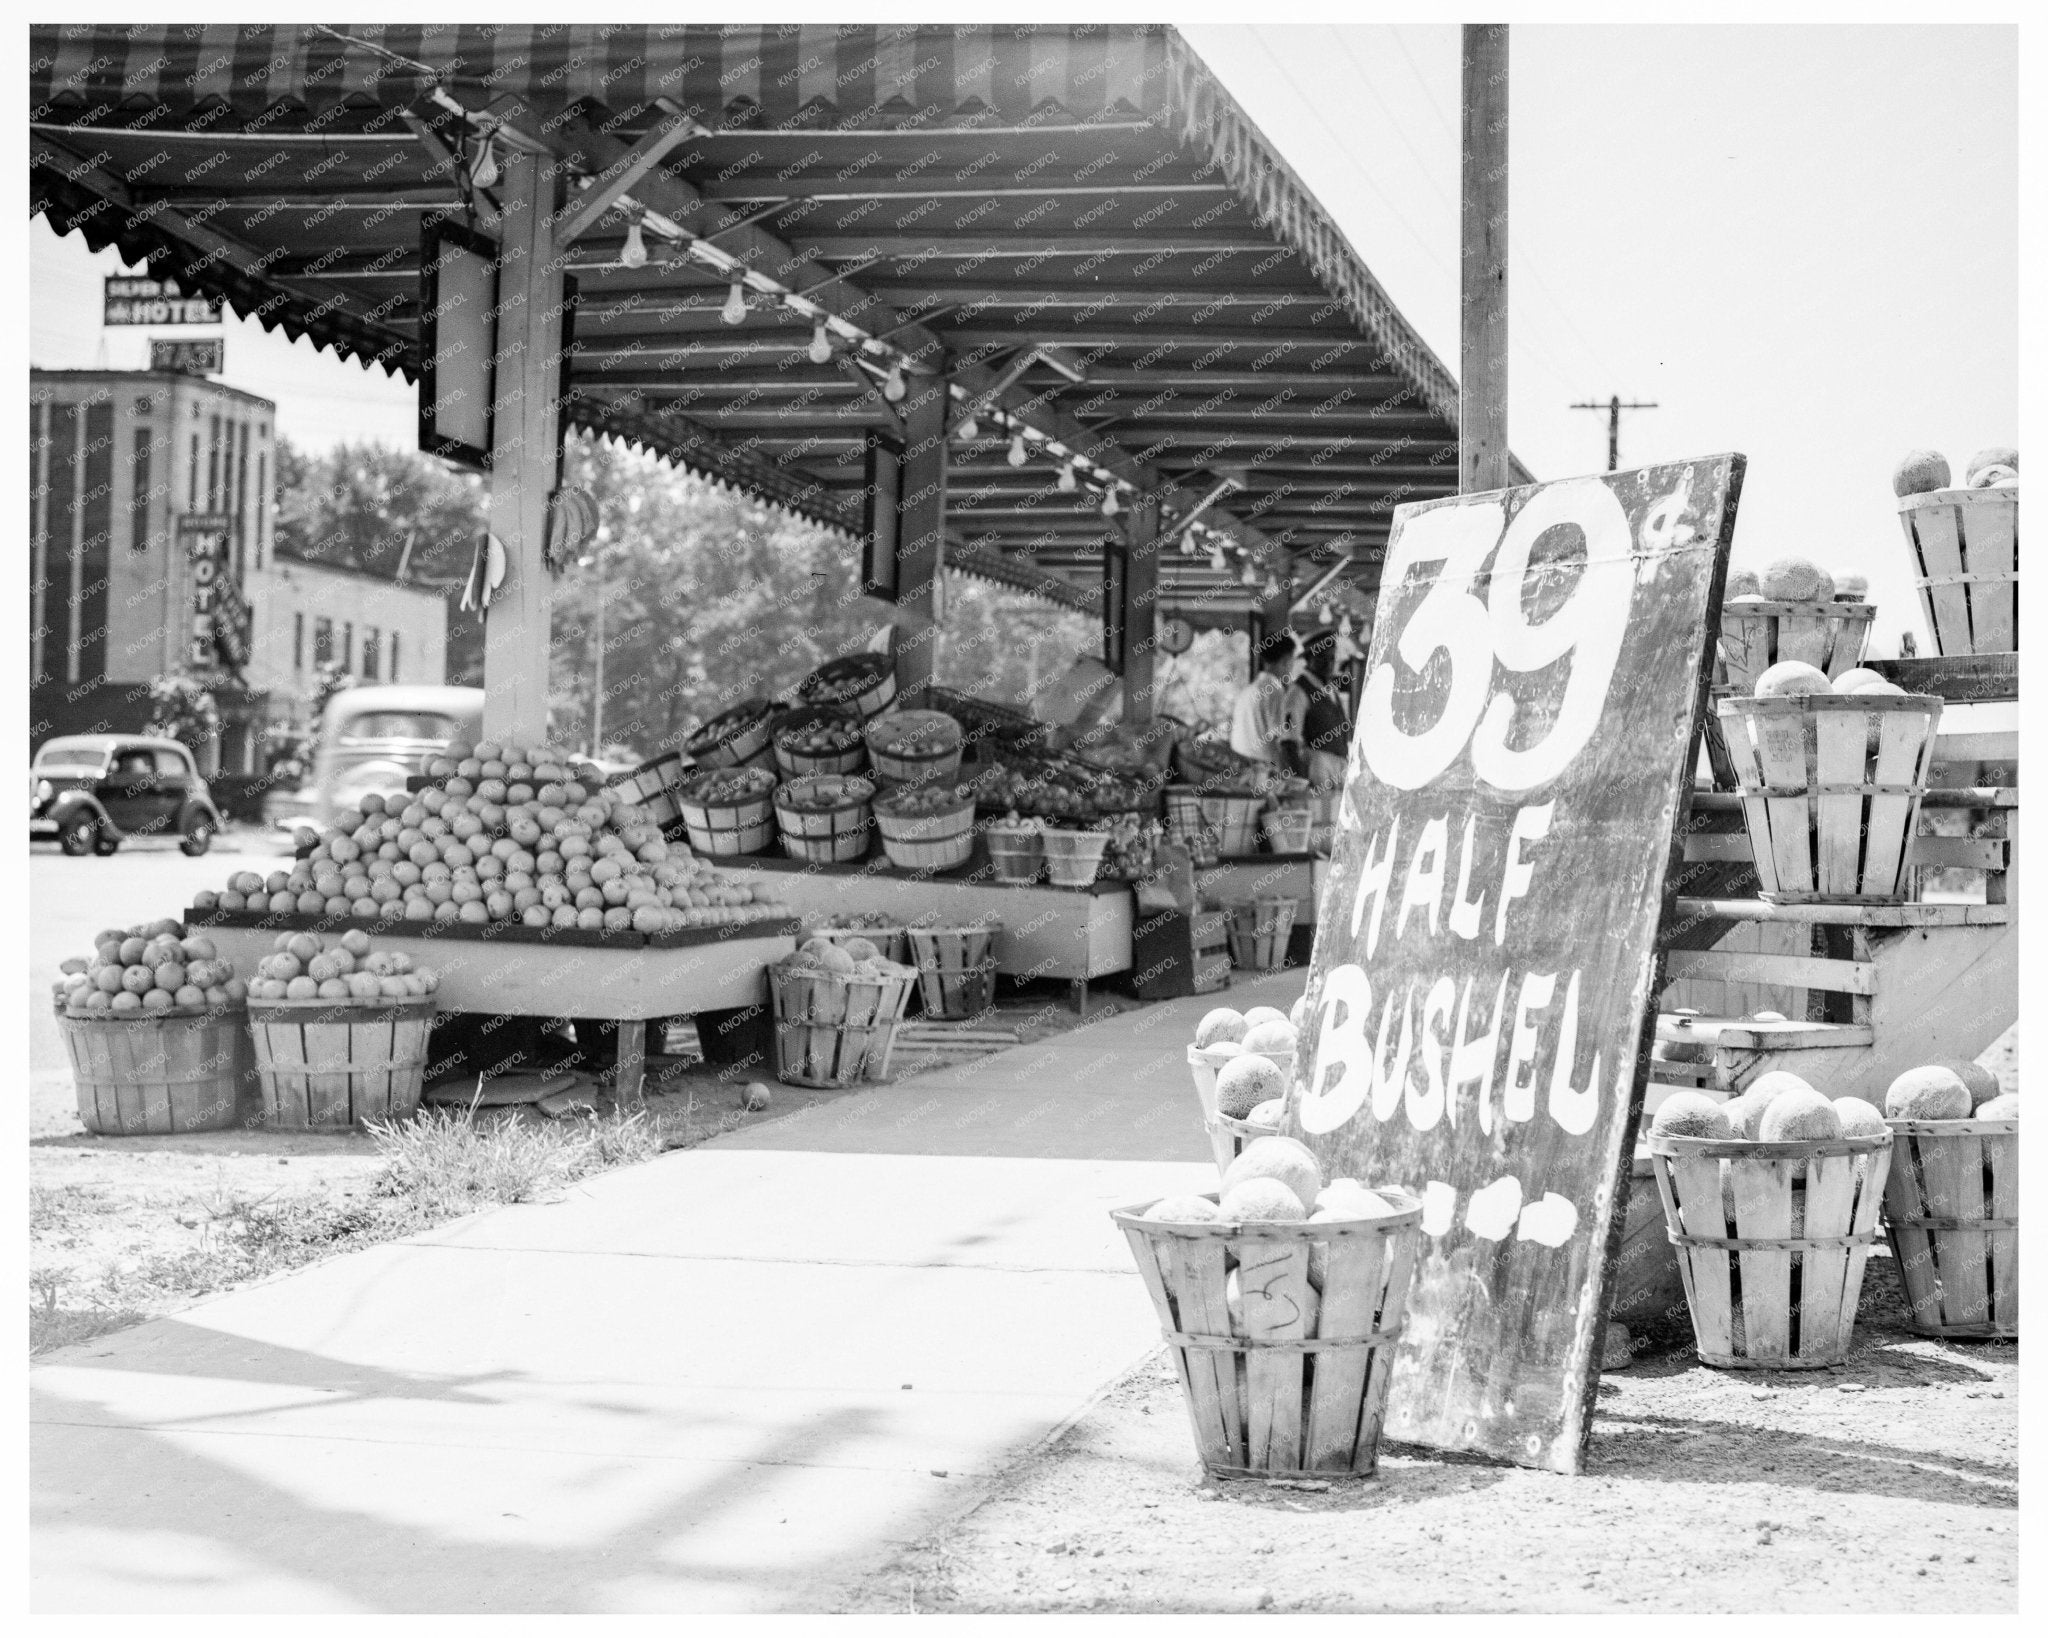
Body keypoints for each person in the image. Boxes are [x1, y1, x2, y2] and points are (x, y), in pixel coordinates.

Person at [1286, 630, 1352, 789]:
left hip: (1339, 766)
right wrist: (1301, 781)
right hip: (1317, 765)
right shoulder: (1299, 691)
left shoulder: (1330, 690)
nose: (1329, 664)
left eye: (1332, 658)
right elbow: (1289, 741)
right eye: (1322, 658)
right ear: (1309, 658)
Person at [1228, 631, 1301, 773]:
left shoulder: (1248, 691)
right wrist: (1285, 774)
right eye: (1293, 660)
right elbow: (1278, 740)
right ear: (1286, 660)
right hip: (1263, 770)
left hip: (1241, 767)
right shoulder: (1275, 690)